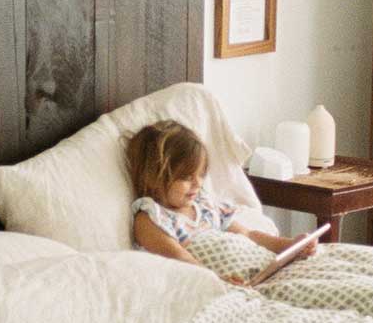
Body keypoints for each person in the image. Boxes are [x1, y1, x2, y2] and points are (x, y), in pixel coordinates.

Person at [126, 120, 314, 283]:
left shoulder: (205, 206)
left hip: (256, 273)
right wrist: (216, 281)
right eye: (186, 177)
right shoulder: (151, 218)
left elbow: (249, 235)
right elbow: (179, 257)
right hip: (214, 282)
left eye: (200, 175)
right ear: (154, 177)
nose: (197, 183)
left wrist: (290, 245)